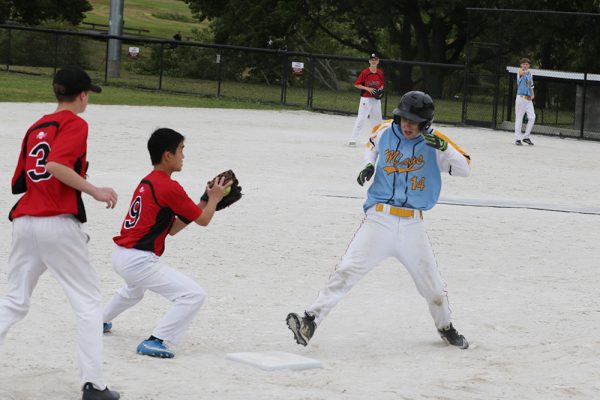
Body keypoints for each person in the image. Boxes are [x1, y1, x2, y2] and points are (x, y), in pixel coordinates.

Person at [287, 91, 471, 350]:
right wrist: (369, 165)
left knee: (434, 290)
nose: (407, 125)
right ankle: (309, 321)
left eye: (414, 121)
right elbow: (372, 146)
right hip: (379, 219)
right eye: (404, 119)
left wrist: (443, 148)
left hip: (412, 225)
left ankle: (446, 327)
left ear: (426, 123)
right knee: (346, 270)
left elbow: (465, 168)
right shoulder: (386, 130)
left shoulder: (436, 143)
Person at [0, 66, 120, 400]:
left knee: (13, 300)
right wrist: (94, 190)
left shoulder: (36, 126)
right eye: (88, 95)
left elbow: (21, 181)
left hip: (25, 220)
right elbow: (54, 165)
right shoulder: (76, 123)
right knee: (88, 302)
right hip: (57, 221)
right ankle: (94, 386)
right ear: (82, 95)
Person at [102, 127, 230, 359]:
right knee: (193, 295)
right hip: (138, 260)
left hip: (123, 255)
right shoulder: (168, 186)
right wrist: (214, 200)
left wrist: (204, 200)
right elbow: (204, 220)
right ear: (167, 155)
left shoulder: (149, 181)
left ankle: (98, 321)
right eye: (181, 150)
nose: (183, 156)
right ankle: (155, 340)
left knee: (133, 292)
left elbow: (172, 229)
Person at [348, 53, 384, 147]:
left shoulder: (380, 72)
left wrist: (380, 89)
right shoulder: (365, 72)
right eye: (372, 59)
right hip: (366, 99)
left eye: (375, 59)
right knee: (361, 118)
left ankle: (377, 140)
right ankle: (353, 140)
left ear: (378, 61)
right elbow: (356, 84)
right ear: (369, 61)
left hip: (376, 100)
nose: (373, 61)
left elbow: (382, 84)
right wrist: (368, 89)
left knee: (377, 120)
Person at [514, 57, 535, 146]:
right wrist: (527, 71)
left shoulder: (530, 74)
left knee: (532, 117)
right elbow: (523, 73)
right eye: (523, 64)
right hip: (521, 98)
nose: (525, 66)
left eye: (527, 64)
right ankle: (518, 139)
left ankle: (526, 137)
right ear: (521, 65)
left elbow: (531, 85)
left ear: (529, 65)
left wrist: (533, 94)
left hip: (528, 99)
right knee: (519, 118)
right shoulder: (520, 72)